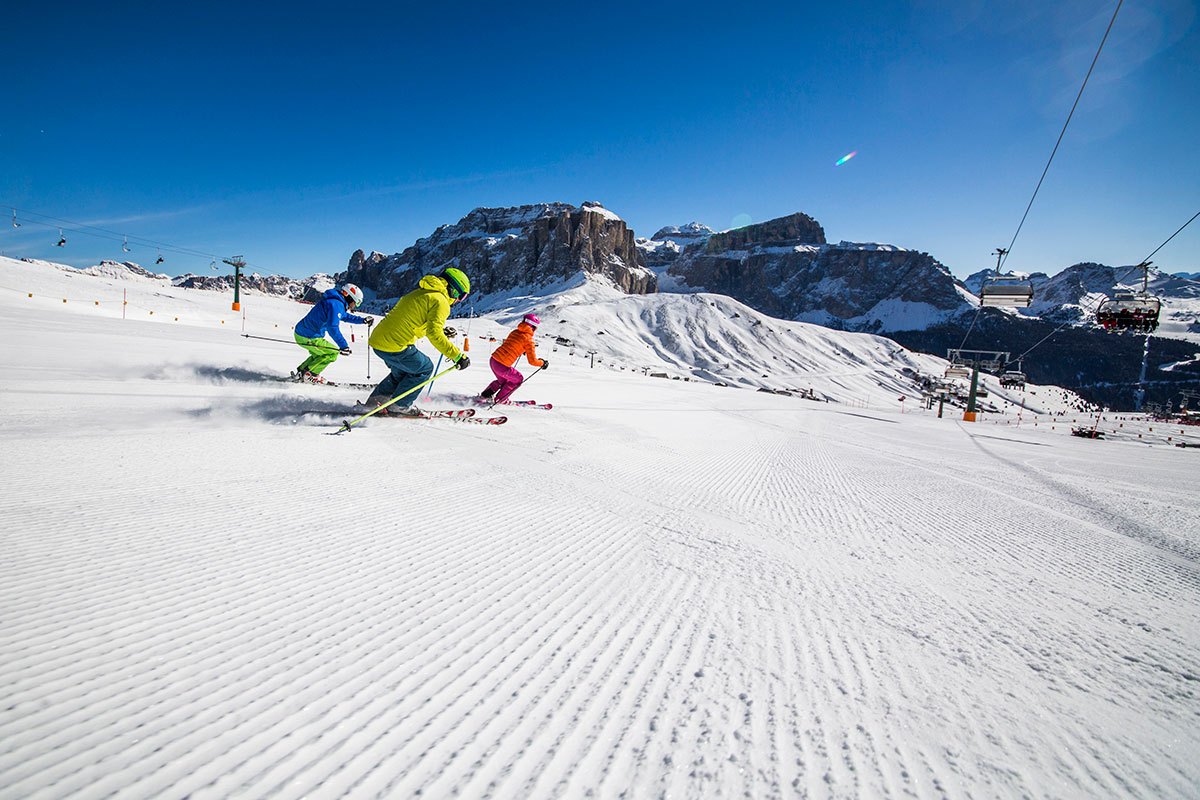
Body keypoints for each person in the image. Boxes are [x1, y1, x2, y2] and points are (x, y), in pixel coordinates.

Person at [364, 267, 471, 416]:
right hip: (395, 344)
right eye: (462, 296)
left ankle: (374, 402)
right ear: (454, 289)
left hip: (378, 340)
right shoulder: (442, 302)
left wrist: (441, 330)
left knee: (401, 372)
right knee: (425, 368)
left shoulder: (423, 292)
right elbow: (433, 334)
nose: (459, 300)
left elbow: (415, 320)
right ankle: (400, 406)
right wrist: (458, 356)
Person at [293, 283, 371, 383]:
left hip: (303, 333)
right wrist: (343, 346)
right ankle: (310, 375)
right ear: (350, 297)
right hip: (308, 336)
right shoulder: (336, 304)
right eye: (356, 303)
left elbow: (344, 316)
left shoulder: (335, 302)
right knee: (332, 353)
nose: (355, 306)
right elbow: (332, 328)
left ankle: (302, 372)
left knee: (320, 354)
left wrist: (362, 320)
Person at [480, 313, 548, 404]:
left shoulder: (515, 332)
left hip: (493, 360)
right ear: (533, 327)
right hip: (502, 366)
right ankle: (501, 399)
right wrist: (542, 363)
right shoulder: (529, 340)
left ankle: (485, 395)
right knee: (518, 379)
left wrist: (522, 350)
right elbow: (532, 361)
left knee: (503, 381)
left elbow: (513, 344)